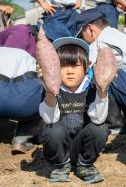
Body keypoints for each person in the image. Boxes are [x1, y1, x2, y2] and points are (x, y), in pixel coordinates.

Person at [39, 37, 109, 183]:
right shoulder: (51, 89)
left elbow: (98, 119)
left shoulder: (92, 88)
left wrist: (102, 92)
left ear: (87, 66)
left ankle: (84, 165)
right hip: (59, 146)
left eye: (75, 65)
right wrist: (50, 91)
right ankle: (60, 166)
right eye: (63, 66)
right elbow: (50, 119)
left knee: (100, 128)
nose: (69, 71)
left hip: (82, 145)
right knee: (53, 129)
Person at [75, 8, 126, 133]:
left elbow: (86, 73)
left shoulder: (99, 43)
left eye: (82, 35)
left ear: (90, 29)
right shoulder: (116, 35)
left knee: (101, 71)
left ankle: (113, 124)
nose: (84, 39)